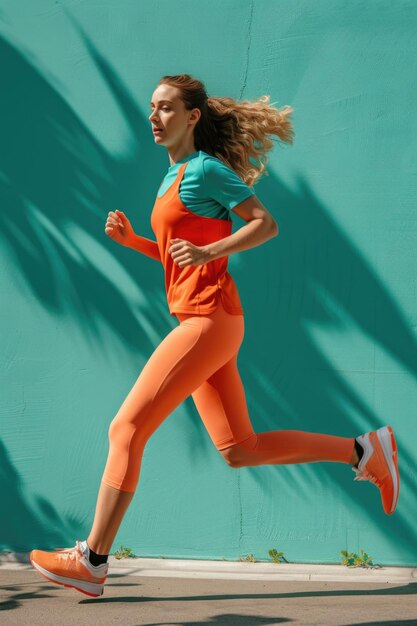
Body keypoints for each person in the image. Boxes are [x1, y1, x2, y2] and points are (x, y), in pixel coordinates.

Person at [30, 74, 400, 598]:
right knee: (239, 448)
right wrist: (136, 241)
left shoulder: (204, 169)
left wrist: (211, 253)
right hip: (205, 321)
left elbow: (264, 223)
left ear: (192, 116)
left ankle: (91, 559)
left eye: (164, 109)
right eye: (151, 109)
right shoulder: (173, 176)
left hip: (209, 321)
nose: (154, 118)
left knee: (126, 429)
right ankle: (364, 452)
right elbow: (179, 258)